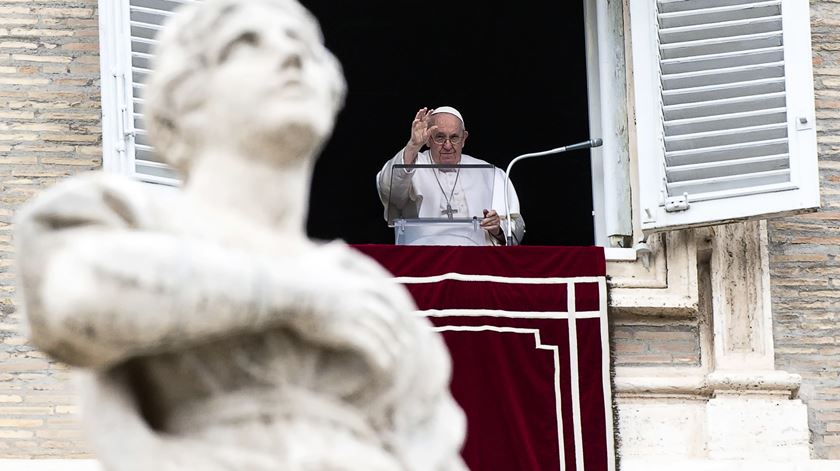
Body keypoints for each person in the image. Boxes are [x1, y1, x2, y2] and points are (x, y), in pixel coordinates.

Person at [14, 1, 467, 470]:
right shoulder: (125, 218)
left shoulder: (375, 291)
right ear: (181, 98)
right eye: (246, 43)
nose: (293, 58)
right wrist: (301, 295)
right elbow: (78, 295)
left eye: (306, 49)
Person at [377, 106, 526, 246]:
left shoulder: (490, 173)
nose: (447, 146)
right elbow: (388, 189)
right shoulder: (411, 163)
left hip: (475, 260)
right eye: (440, 137)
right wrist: (413, 145)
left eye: (454, 137)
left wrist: (497, 228)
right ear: (428, 139)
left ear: (464, 139)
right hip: (422, 258)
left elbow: (516, 229)